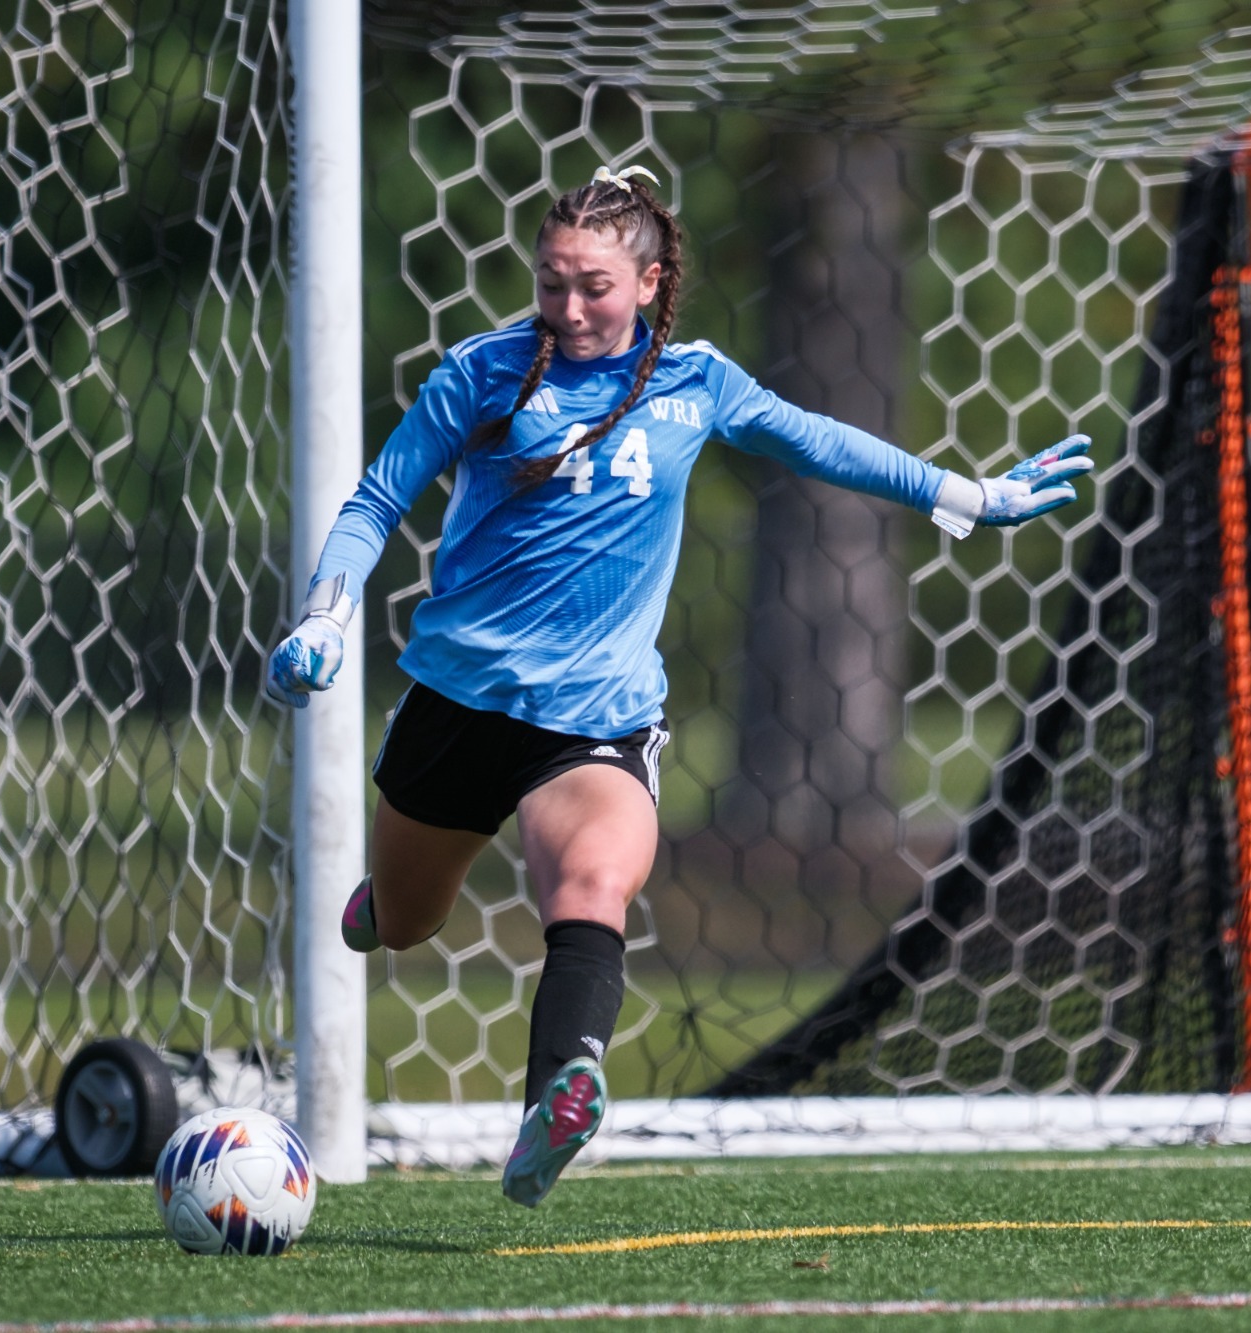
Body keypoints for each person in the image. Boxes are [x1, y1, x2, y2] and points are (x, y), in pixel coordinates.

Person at [266, 165, 1093, 1207]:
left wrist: (968, 494)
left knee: (590, 888)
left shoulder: (695, 382)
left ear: (650, 281)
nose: (568, 308)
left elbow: (820, 442)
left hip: (595, 721)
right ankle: (382, 902)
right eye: (551, 282)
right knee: (404, 921)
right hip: (456, 707)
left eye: (594, 287)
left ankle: (554, 1102)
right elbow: (375, 498)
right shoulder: (480, 372)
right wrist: (322, 617)